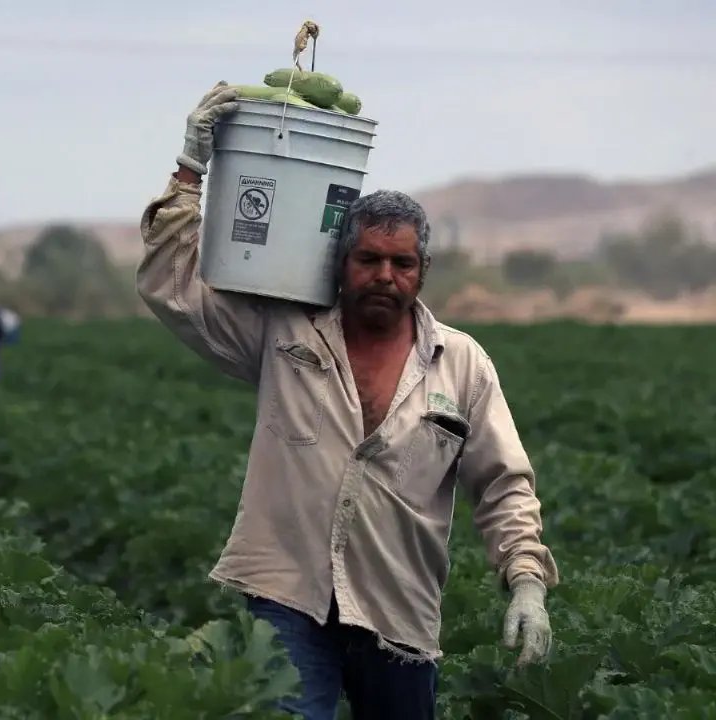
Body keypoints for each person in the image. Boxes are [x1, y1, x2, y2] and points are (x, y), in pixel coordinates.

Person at [135, 81, 559, 719]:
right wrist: (191, 169)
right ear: (340, 262)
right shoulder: (286, 331)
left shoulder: (463, 364)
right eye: (368, 259)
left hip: (398, 612)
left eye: (402, 263)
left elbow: (503, 483)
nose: (385, 276)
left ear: (423, 272)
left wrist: (526, 580)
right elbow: (174, 286)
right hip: (286, 596)